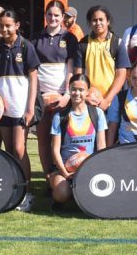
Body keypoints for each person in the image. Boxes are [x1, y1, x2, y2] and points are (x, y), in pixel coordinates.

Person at [0, 10, 39, 212]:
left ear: (17, 25)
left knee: (20, 149)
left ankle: (27, 192)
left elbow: (34, 78)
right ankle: (13, 190)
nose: (4, 29)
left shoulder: (26, 46)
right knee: (8, 149)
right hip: (2, 105)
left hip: (20, 106)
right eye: (1, 25)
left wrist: (30, 108)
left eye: (8, 25)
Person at [33, 0, 83, 177]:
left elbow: (71, 68)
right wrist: (37, 95)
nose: (52, 18)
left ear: (62, 17)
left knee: (62, 140)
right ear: (45, 15)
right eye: (49, 14)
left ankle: (64, 175)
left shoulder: (69, 38)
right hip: (40, 97)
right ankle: (49, 178)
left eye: (56, 15)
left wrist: (67, 95)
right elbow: (32, 70)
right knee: (44, 139)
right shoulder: (36, 38)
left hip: (62, 98)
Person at [48, 74, 107, 205]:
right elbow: (55, 150)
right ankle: (59, 191)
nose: (77, 93)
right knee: (62, 194)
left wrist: (95, 169)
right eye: (73, 89)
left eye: (81, 90)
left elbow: (101, 146)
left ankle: (76, 197)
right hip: (64, 170)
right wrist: (65, 173)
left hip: (88, 169)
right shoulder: (60, 116)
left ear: (87, 92)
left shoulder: (97, 114)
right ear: (69, 90)